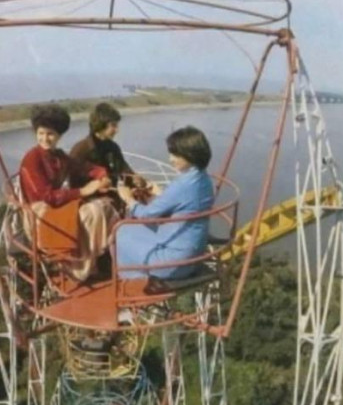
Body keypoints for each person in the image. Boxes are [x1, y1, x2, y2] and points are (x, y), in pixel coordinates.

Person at [19, 104, 117, 282]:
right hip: (39, 211)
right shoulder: (32, 159)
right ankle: (79, 267)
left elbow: (82, 167)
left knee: (104, 206)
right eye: (41, 133)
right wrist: (83, 191)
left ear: (59, 136)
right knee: (90, 213)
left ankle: (95, 259)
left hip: (54, 204)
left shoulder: (58, 156)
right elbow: (46, 196)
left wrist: (101, 175)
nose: (45, 138)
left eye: (50, 134)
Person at [115, 126, 214, 281]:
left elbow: (147, 215)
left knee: (120, 231)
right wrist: (158, 192)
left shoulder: (183, 184)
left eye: (175, 155)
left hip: (174, 263)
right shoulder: (204, 178)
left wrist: (128, 199)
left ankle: (130, 277)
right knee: (132, 230)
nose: (170, 159)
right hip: (194, 254)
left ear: (190, 155)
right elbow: (184, 203)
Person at [69, 102, 135, 186]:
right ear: (101, 124)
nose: (117, 130)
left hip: (112, 192)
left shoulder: (113, 147)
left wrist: (137, 180)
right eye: (113, 125)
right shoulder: (80, 150)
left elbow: (124, 171)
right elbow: (74, 184)